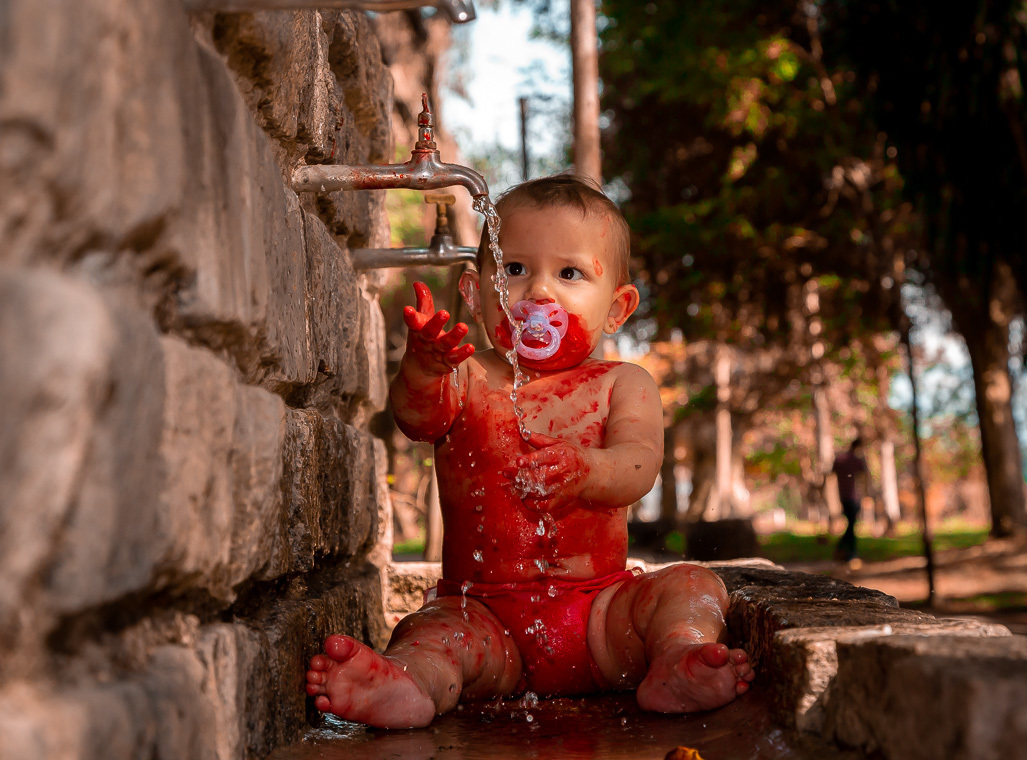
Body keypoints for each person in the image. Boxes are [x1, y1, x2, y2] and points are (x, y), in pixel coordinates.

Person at [305, 174, 754, 728]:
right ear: (476, 293)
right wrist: (422, 370)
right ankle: (409, 682)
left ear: (616, 309)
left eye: (569, 273)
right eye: (514, 269)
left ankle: (676, 657)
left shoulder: (622, 384)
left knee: (693, 586)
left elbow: (639, 465)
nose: (539, 292)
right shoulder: (465, 375)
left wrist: (589, 470)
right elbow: (415, 420)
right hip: (484, 618)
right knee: (432, 632)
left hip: (600, 619)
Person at [832, 437, 871, 567]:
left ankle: (844, 550)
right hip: (852, 497)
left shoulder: (840, 459)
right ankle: (850, 553)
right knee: (852, 524)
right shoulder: (855, 460)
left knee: (851, 524)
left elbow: (832, 472)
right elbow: (865, 475)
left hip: (843, 496)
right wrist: (866, 494)